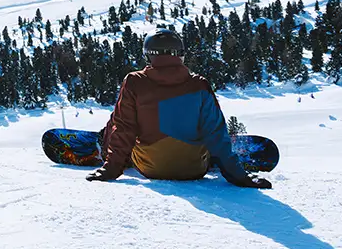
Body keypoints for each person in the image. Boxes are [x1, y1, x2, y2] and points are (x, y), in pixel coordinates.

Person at [87, 30, 272, 189]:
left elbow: (125, 127)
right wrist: (238, 176)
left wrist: (111, 169)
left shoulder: (134, 81)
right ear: (181, 55)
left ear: (148, 55)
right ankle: (217, 159)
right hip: (194, 169)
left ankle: (105, 146)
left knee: (117, 119)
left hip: (152, 168)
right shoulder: (199, 84)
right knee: (204, 124)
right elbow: (215, 131)